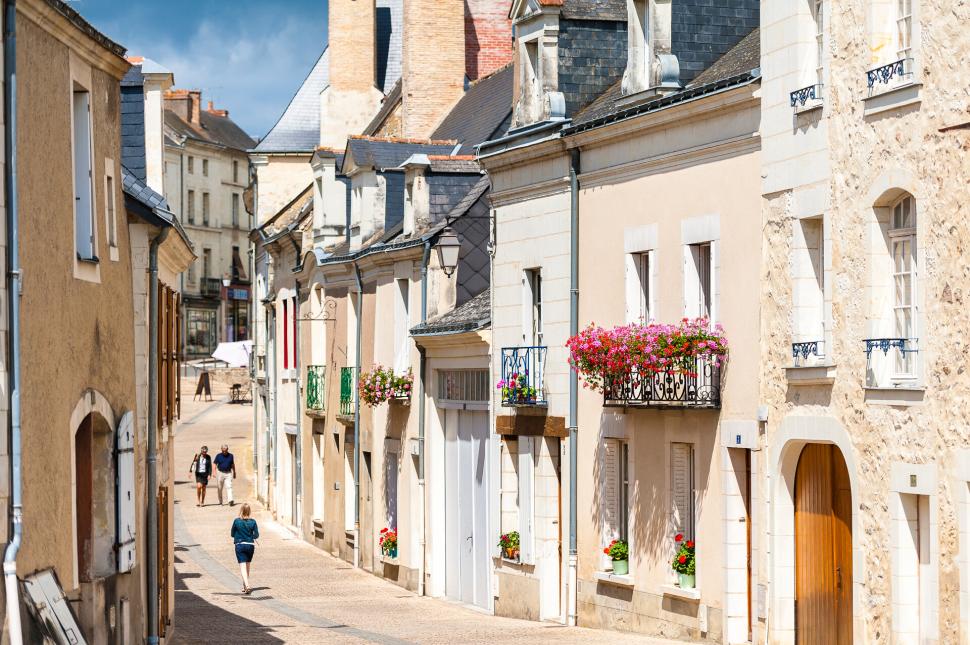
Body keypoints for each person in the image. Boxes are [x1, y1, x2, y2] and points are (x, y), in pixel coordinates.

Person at [231, 504, 259, 594]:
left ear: (241, 510)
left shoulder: (236, 521)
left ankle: (247, 585)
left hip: (240, 545)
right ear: (249, 511)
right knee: (247, 566)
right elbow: (256, 535)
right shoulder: (253, 522)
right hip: (250, 545)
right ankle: (244, 586)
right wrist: (250, 535)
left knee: (242, 566)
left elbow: (232, 534)